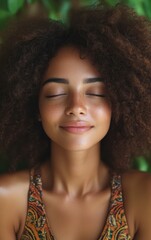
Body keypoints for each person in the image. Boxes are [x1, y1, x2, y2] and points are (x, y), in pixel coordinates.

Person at [0, 3, 151, 240]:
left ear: (119, 102)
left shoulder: (144, 196)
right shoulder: (6, 200)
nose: (76, 107)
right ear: (35, 105)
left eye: (96, 92)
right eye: (56, 93)